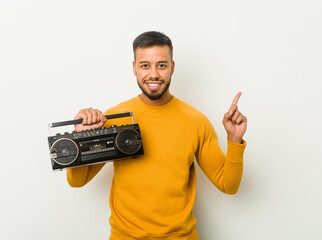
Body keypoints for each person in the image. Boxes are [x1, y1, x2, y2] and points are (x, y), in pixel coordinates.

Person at [67, 31, 247, 240]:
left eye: (161, 65)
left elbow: (228, 185)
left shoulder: (196, 121)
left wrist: (234, 140)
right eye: (145, 65)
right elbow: (78, 181)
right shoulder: (113, 118)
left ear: (172, 67)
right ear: (134, 68)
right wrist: (79, 140)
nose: (153, 74)